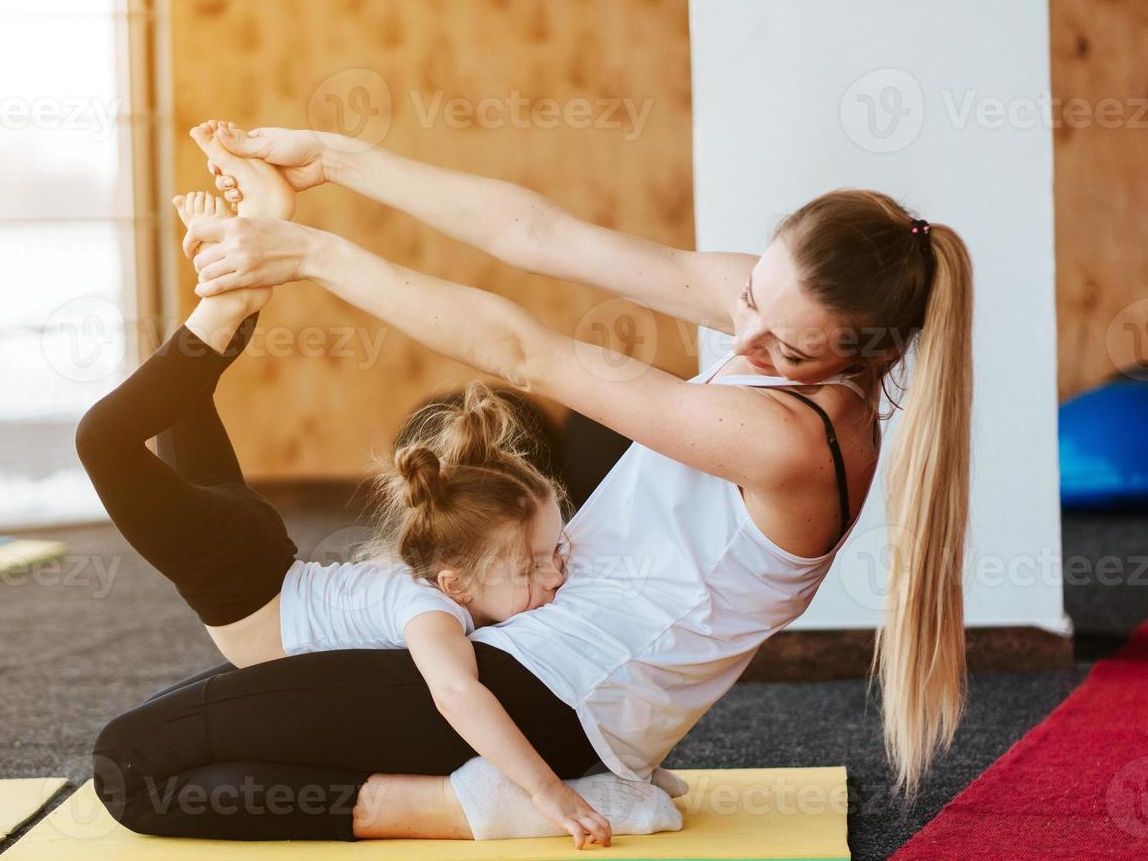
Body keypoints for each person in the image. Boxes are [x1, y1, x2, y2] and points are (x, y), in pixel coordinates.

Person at [84, 119, 971, 842]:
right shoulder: (779, 311)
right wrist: (340, 160)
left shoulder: (792, 445)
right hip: (519, 642)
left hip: (554, 694)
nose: (746, 343)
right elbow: (540, 235)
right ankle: (507, 781)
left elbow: (520, 351)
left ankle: (477, 804)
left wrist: (310, 254)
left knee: (133, 768)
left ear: (875, 354)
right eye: (751, 301)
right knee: (207, 730)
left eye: (788, 347)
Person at [75, 161, 682, 847]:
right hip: (242, 579)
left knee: (180, 410)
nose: (556, 576)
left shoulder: (436, 594)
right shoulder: (431, 610)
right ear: (456, 580)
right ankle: (226, 295)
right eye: (533, 562)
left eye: (556, 553)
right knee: (105, 440)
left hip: (258, 563)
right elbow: (458, 695)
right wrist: (545, 790)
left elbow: (456, 691)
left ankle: (240, 262)